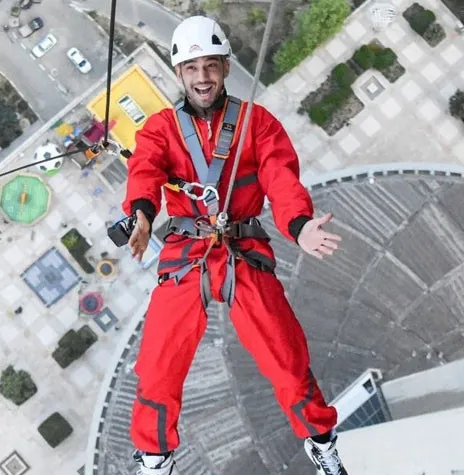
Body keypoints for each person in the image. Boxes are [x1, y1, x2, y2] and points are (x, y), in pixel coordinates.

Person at [122, 15, 348, 475]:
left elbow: (280, 177)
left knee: (286, 357)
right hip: (187, 255)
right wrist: (142, 215)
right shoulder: (161, 130)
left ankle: (320, 440)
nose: (202, 77)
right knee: (158, 363)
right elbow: (145, 170)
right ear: (179, 74)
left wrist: (299, 223)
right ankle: (154, 457)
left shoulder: (255, 124)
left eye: (210, 66)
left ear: (225, 68)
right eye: (191, 68)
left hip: (243, 253)